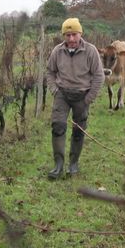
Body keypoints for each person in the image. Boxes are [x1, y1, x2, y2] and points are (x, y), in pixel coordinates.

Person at [45, 17, 105, 179]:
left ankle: (73, 164)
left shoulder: (90, 51)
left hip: (82, 96)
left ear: (80, 33)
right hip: (62, 95)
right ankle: (58, 165)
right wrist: (54, 90)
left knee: (79, 130)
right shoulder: (57, 51)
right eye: (67, 35)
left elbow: (99, 76)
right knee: (58, 126)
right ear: (64, 36)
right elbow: (50, 71)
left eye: (74, 35)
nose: (71, 39)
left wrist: (89, 98)